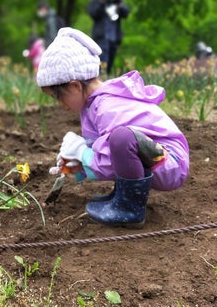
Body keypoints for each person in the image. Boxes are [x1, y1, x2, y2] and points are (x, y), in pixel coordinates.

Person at [36, 27, 190, 228]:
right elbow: (104, 152)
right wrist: (75, 165)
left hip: (169, 161)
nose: (61, 105)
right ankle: (122, 195)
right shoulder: (92, 105)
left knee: (121, 138)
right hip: (154, 157)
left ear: (75, 86)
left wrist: (81, 153)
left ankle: (129, 208)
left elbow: (111, 158)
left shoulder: (108, 107)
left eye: (58, 97)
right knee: (118, 140)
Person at [87, 0, 130, 76]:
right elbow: (93, 13)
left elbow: (126, 13)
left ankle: (106, 83)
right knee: (101, 67)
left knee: (109, 67)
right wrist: (102, 1)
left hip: (114, 38)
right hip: (102, 37)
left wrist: (120, 4)